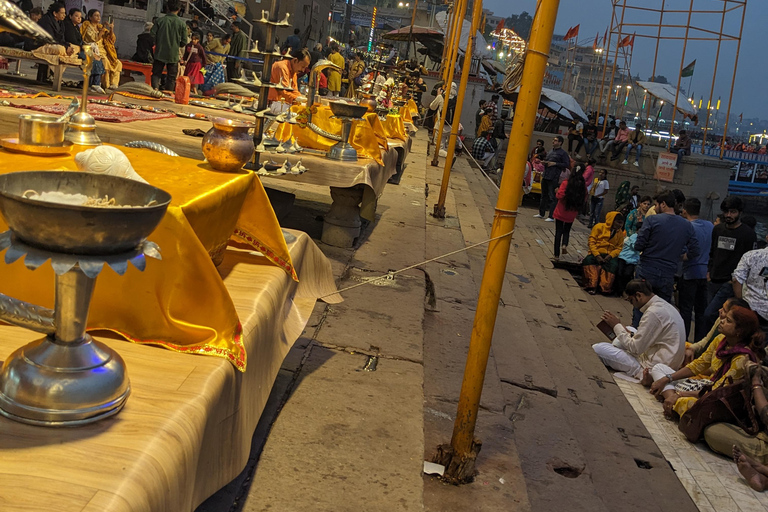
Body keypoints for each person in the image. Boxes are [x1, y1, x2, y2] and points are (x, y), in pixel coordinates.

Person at [648, 305, 764, 420]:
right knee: (659, 368)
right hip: (706, 386)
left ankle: (670, 398)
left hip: (718, 399)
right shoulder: (720, 340)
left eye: (728, 321)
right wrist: (667, 379)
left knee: (687, 402)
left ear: (739, 331)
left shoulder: (742, 358)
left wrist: (679, 395)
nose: (722, 321)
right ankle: (671, 400)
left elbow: (717, 392)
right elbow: (698, 365)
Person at [593, 279, 686, 379]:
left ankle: (635, 369)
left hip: (651, 368)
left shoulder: (653, 313)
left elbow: (635, 349)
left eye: (631, 300)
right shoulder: (664, 305)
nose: (632, 304)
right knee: (628, 330)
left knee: (598, 348)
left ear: (639, 296)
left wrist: (616, 325)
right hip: (665, 359)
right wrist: (623, 329)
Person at [633, 191, 700, 305]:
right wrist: (682, 257)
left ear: (663, 204)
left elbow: (639, 245)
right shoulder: (686, 225)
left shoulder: (652, 220)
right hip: (668, 273)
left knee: (642, 306)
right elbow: (695, 249)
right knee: (661, 309)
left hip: (647, 269)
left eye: (656, 204)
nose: (654, 208)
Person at [703, 196, 757, 331]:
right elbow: (713, 251)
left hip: (729, 282)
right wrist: (709, 271)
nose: (729, 215)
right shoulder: (718, 229)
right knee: (712, 317)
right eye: (726, 212)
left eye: (732, 212)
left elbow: (750, 261)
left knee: (710, 315)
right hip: (713, 279)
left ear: (739, 212)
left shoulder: (748, 234)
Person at [678, 198, 714, 341]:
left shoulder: (686, 226)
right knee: (701, 310)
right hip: (705, 274)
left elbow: (683, 250)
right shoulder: (710, 226)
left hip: (690, 273)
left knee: (686, 310)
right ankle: (699, 342)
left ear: (684, 210)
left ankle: (684, 340)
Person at [733, 233, 768, 337]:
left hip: (751, 308)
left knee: (745, 340)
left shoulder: (751, 255)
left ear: (767, 237)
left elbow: (736, 279)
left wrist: (741, 303)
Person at [582, 211, 625, 294]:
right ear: (612, 221)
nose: (620, 225)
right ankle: (591, 286)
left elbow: (619, 247)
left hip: (609, 256)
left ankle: (604, 288)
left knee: (613, 265)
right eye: (618, 222)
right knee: (589, 262)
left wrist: (610, 256)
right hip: (596, 253)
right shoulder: (599, 227)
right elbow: (591, 242)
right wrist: (597, 255)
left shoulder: (619, 233)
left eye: (622, 223)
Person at [150, 0, 187, 91]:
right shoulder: (181, 24)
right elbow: (184, 41)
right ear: (179, 9)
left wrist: (158, 42)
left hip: (160, 52)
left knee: (156, 73)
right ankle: (168, 93)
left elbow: (152, 35)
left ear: (167, 8)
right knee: (171, 76)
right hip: (173, 54)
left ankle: (155, 89)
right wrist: (177, 44)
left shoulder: (159, 21)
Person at [81, 9, 122, 90]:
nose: (98, 17)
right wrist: (102, 30)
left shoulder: (100, 27)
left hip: (105, 51)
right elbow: (93, 39)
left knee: (118, 63)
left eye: (99, 15)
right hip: (94, 51)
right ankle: (106, 85)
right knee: (105, 62)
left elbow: (111, 40)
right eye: (96, 15)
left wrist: (111, 29)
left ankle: (114, 84)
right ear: (90, 17)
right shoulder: (88, 26)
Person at [552, 164, 587, 260]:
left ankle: (556, 255)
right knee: (567, 230)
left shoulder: (566, 183)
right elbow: (584, 198)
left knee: (558, 231)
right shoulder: (582, 186)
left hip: (561, 210)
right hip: (572, 212)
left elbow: (560, 195)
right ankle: (564, 244)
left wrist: (557, 191)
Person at [35, 2, 74, 82]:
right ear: (55, 13)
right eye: (62, 13)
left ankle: (52, 76)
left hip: (54, 44)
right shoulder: (46, 20)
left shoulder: (60, 22)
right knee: (60, 50)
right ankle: (53, 76)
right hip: (40, 44)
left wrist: (67, 46)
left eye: (65, 13)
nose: (64, 15)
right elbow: (50, 39)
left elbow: (61, 39)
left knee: (74, 48)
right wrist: (66, 47)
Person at [534, 135, 570, 222]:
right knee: (544, 195)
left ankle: (551, 215)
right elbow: (548, 161)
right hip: (546, 175)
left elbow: (566, 164)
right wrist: (544, 162)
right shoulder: (550, 151)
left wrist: (555, 164)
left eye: (556, 140)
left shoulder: (563, 153)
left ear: (560, 143)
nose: (553, 142)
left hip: (553, 177)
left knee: (552, 197)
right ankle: (541, 213)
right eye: (553, 140)